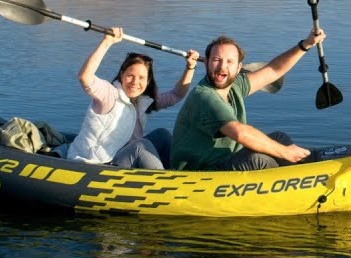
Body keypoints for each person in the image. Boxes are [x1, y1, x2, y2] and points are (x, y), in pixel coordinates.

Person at [169, 27, 325, 171]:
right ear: (206, 63)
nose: (222, 67)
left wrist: (305, 44)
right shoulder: (205, 97)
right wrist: (285, 153)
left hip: (225, 159)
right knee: (258, 160)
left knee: (279, 138)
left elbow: (274, 70)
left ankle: (310, 168)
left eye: (229, 61)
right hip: (200, 172)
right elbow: (239, 133)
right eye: (216, 60)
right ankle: (295, 182)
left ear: (238, 68)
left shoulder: (235, 85)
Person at [66, 26, 199, 169]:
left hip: (124, 155)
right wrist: (107, 42)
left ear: (148, 81)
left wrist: (190, 67)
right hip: (98, 162)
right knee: (141, 146)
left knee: (162, 135)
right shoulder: (109, 94)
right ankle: (164, 179)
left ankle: (179, 171)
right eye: (130, 75)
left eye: (141, 78)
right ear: (121, 75)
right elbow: (85, 77)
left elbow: (177, 94)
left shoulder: (144, 100)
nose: (135, 82)